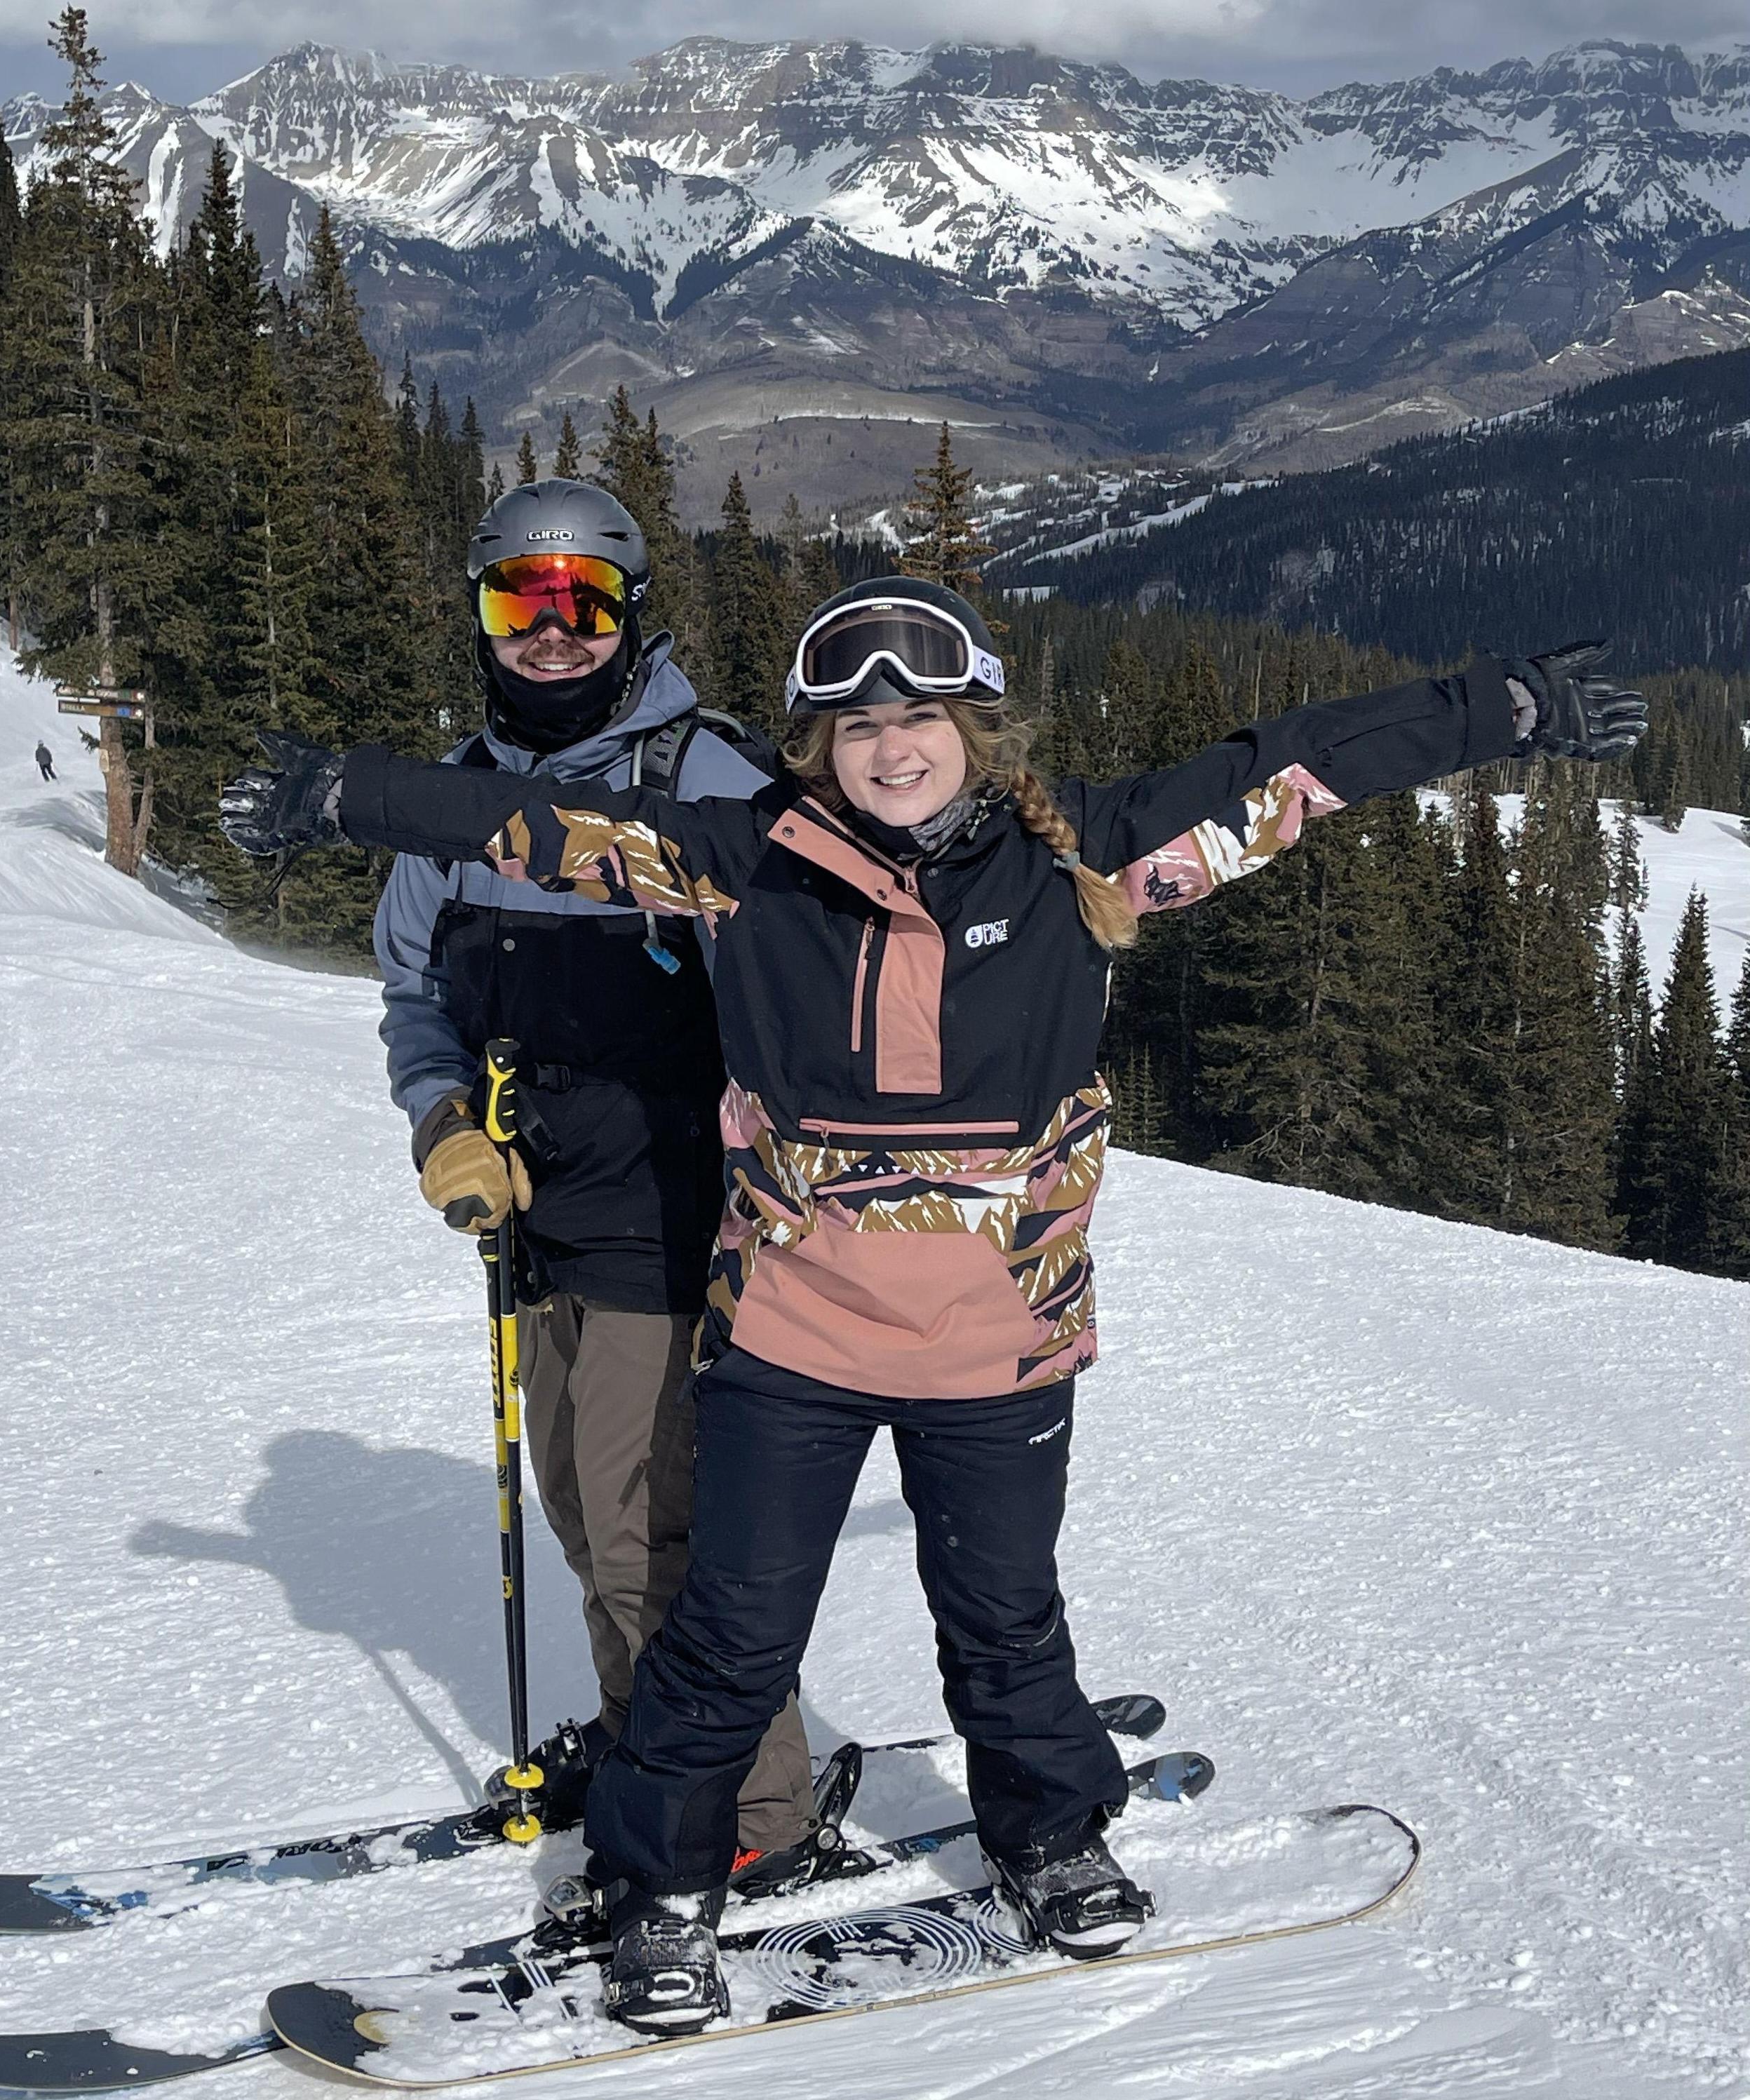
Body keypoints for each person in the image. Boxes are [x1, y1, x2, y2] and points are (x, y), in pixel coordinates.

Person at [229, 579, 1645, 2034]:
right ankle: (659, 1891)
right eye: (852, 724)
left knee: (1004, 1619)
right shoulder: (741, 860)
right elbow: (530, 829)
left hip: (1002, 1337)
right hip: (791, 1335)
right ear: (810, 744)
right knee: (727, 1632)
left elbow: (1290, 768)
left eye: (916, 717)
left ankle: (1048, 1834)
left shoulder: (1087, 859)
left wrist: (1507, 709)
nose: (888, 748)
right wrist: (347, 795)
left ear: (972, 723)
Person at [222, 478, 826, 1885]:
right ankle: (643, 1743)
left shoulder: (708, 782)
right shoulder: (455, 797)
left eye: (580, 605)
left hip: (680, 1223)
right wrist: (439, 1116)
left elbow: (798, 1012)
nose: (548, 636)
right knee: (577, 1511)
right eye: (517, 604)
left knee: (648, 1538)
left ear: (626, 617)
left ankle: (750, 1819)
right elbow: (411, 985)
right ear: (480, 617)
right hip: (536, 1217)